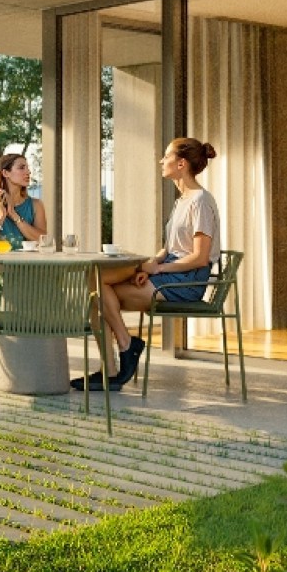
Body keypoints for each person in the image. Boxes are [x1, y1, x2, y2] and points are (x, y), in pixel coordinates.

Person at [73, 137, 222, 392]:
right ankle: (118, 358)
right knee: (96, 288)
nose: (161, 161)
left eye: (167, 156)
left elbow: (199, 257)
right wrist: (154, 262)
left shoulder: (200, 201)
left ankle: (120, 356)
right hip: (171, 273)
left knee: (98, 292)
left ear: (181, 164)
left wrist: (158, 269)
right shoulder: (182, 200)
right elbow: (171, 248)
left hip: (187, 281)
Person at [0, 153, 47, 250]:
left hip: (27, 260)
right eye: (21, 168)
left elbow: (43, 240)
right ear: (5, 173)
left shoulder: (36, 205)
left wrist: (14, 214)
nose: (28, 172)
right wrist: (0, 218)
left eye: (27, 168)